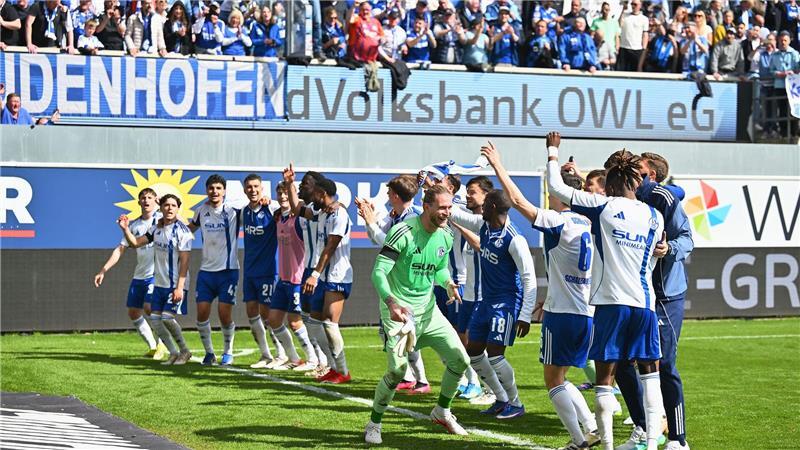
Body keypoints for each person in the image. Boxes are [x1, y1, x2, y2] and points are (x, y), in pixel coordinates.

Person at [545, 131, 666, 450]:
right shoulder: (655, 216)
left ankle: (609, 445)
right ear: (637, 183)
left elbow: (556, 189)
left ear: (611, 185)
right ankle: (652, 443)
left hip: (612, 304)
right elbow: (656, 253)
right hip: (645, 304)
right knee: (649, 374)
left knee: (604, 380)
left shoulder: (604, 206)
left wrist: (553, 153)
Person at [480, 142, 601, 450]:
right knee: (562, 375)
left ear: (558, 194)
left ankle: (577, 441)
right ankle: (591, 426)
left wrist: (498, 165)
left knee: (552, 380)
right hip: (587, 311)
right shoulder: (590, 222)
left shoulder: (558, 221)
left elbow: (518, 201)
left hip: (562, 314)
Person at [364, 184, 470, 444]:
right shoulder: (403, 232)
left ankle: (442, 411)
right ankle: (374, 423)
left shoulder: (446, 235)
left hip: (428, 311)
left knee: (460, 361)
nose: (447, 212)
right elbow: (378, 272)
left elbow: (440, 268)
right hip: (398, 313)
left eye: (449, 207)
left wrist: (448, 283)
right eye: (442, 207)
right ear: (426, 206)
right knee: (397, 372)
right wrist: (391, 302)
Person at [613, 152, 693, 450]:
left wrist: (668, 246)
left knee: (665, 365)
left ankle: (677, 439)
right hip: (633, 293)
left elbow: (687, 238)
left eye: (641, 171)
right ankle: (645, 428)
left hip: (664, 296)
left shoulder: (663, 198)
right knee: (620, 362)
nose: (635, 175)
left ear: (650, 177)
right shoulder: (622, 199)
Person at [447, 188, 536, 421]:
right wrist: (439, 192)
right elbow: (456, 215)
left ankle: (516, 403)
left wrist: (525, 315)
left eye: (485, 204)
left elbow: (529, 278)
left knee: (496, 354)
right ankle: (501, 398)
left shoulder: (515, 239)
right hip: (485, 302)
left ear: (493, 207)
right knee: (474, 351)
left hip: (506, 303)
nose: (481, 207)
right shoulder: (484, 226)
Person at [355, 175, 431, 395]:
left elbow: (388, 243)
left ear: (396, 195)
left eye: (389, 193)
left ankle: (423, 380)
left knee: (407, 331)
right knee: (391, 332)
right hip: (395, 279)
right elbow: (375, 238)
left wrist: (370, 221)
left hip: (410, 282)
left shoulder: (414, 216)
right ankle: (408, 377)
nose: (387, 196)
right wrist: (370, 218)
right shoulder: (398, 215)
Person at [285, 166, 353, 384]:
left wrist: (314, 274)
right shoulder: (321, 212)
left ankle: (343, 370)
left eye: (311, 190)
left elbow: (331, 247)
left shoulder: (339, 213)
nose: (308, 194)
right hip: (320, 274)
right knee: (315, 323)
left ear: (321, 192)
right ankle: (333, 367)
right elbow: (298, 209)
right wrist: (289, 185)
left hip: (336, 275)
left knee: (330, 324)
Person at [119, 194, 193, 366]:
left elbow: (185, 261)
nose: (169, 208)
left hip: (175, 284)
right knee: (155, 320)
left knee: (167, 318)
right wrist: (125, 229)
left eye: (173, 205)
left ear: (178, 208)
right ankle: (173, 353)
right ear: (161, 208)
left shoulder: (183, 231)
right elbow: (136, 243)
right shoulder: (156, 229)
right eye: (166, 205)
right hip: (159, 283)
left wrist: (180, 288)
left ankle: (185, 351)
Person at [94, 188, 167, 360]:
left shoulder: (162, 220)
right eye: (143, 198)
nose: (146, 200)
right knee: (134, 312)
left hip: (157, 273)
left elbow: (178, 219)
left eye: (150, 197)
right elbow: (120, 250)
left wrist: (163, 203)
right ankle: (152, 347)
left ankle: (162, 343)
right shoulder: (133, 226)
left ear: (156, 200)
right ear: (139, 202)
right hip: (140, 275)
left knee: (150, 308)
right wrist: (103, 270)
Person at [188, 174, 241, 366]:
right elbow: (189, 229)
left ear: (224, 191)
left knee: (224, 314)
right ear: (206, 190)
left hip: (228, 271)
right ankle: (209, 353)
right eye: (211, 188)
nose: (215, 192)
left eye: (218, 188)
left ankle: (228, 352)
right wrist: (169, 225)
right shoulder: (201, 211)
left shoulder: (234, 211)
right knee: (202, 312)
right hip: (206, 272)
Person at [268, 181, 321, 372]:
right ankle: (293, 358)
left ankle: (313, 359)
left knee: (295, 321)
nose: (283, 197)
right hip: (283, 279)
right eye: (279, 193)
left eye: (285, 193)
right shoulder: (278, 218)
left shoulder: (299, 219)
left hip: (297, 279)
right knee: (273, 319)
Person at [239, 174, 284, 370]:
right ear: (244, 189)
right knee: (251, 313)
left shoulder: (272, 208)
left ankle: (281, 353)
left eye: (256, 186)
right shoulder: (243, 213)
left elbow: (290, 207)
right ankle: (265, 355)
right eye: (249, 187)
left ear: (262, 188)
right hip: (249, 271)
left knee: (268, 314)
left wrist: (272, 201)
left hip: (268, 271)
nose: (253, 190)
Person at [617, 0, 649, 71]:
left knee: (635, 71)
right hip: (624, 48)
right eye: (632, 4)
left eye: (635, 4)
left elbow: (645, 35)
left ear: (640, 5)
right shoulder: (625, 15)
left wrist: (643, 50)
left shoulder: (644, 19)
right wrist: (623, 9)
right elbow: (619, 24)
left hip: (637, 49)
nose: (633, 6)